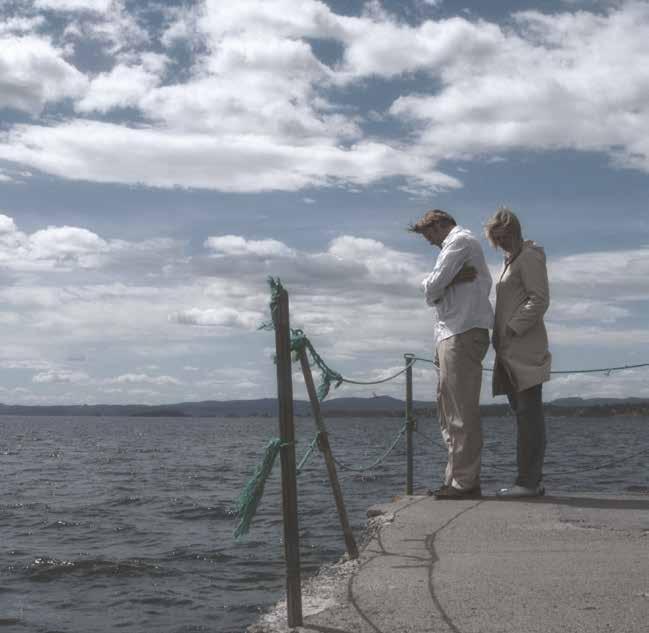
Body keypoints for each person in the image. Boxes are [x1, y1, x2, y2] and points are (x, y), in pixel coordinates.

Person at [410, 210, 494, 499]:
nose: (430, 242)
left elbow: (432, 287)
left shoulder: (459, 242)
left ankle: (465, 482)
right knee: (448, 409)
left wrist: (443, 283)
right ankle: (457, 477)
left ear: (441, 225)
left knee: (460, 408)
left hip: (462, 330)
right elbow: (430, 292)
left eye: (430, 234)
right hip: (450, 332)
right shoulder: (453, 247)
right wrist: (454, 279)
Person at [485, 207, 551, 497]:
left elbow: (540, 299)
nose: (502, 243)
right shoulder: (509, 261)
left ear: (515, 232)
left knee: (529, 416)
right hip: (508, 350)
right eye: (497, 239)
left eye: (505, 237)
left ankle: (528, 483)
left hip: (523, 348)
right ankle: (527, 481)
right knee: (523, 415)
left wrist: (512, 328)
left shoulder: (530, 256)